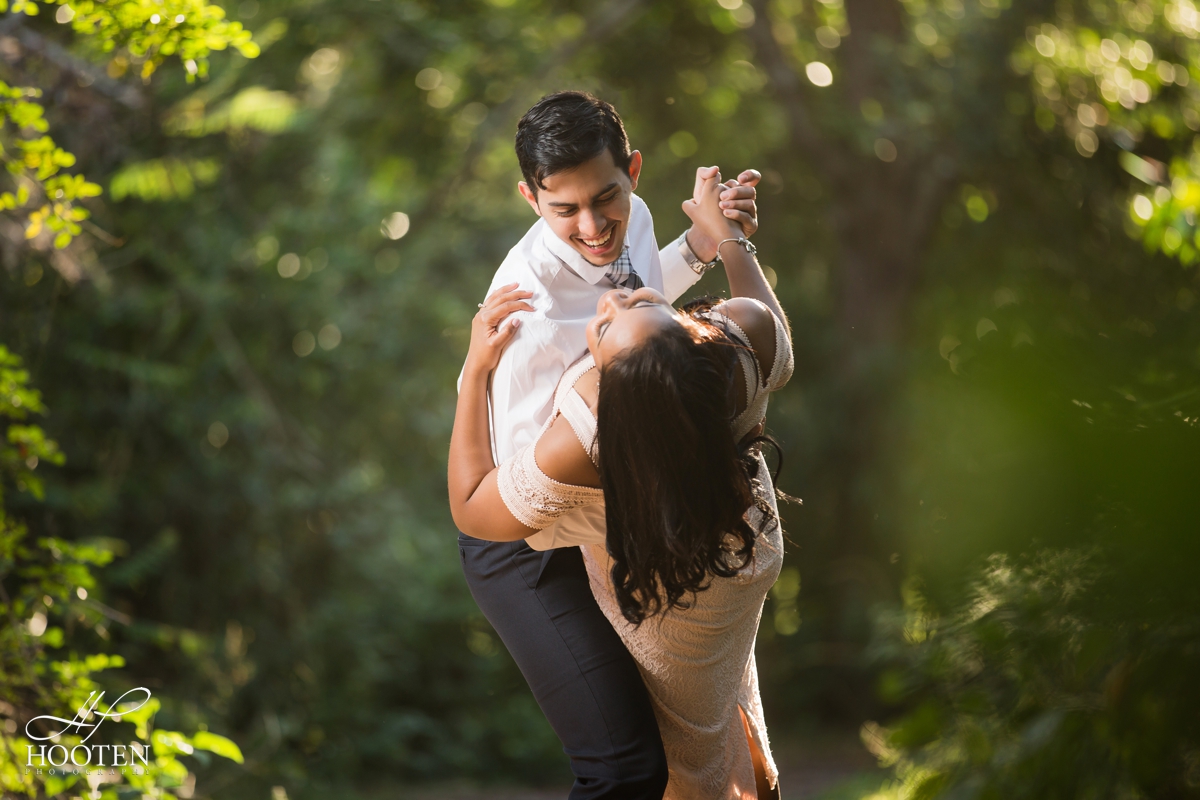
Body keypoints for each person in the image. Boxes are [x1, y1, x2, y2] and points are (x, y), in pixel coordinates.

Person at [451, 90, 763, 799]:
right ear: (530, 198)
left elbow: (644, 303)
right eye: (565, 210)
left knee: (693, 747)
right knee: (624, 768)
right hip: (524, 534)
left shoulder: (636, 219)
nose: (593, 227)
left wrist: (706, 247)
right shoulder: (525, 315)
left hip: (610, 510)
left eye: (606, 198)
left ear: (634, 171)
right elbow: (510, 495)